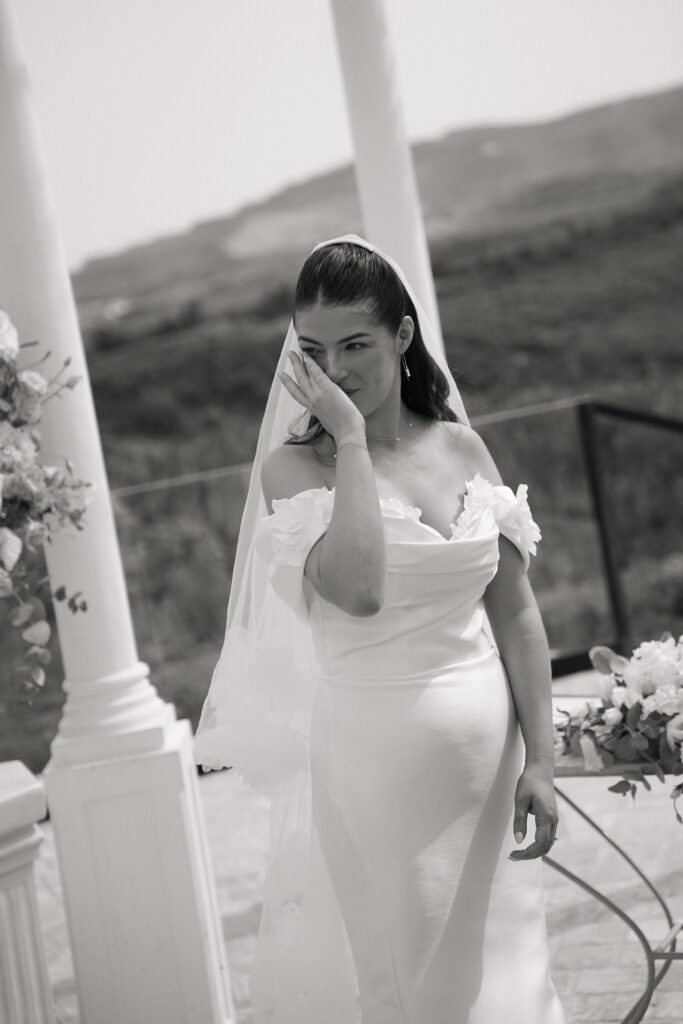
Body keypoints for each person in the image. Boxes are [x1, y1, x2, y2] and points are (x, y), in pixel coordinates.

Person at [195, 235, 566, 1024]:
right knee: (412, 980)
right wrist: (353, 442)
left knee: (506, 972)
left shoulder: (461, 446)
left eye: (356, 344)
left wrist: (542, 757)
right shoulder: (292, 472)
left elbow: (518, 615)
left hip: (489, 766)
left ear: (402, 337)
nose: (335, 370)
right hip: (375, 770)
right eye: (315, 351)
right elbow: (359, 589)